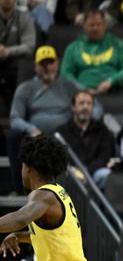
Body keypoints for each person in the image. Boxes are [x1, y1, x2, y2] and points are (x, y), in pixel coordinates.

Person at [7, 46, 84, 194]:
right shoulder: (26, 88)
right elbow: (15, 117)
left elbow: (90, 101)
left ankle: (73, 186)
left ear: (57, 64)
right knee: (13, 136)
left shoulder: (68, 85)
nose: (47, 67)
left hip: (65, 132)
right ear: (36, 66)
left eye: (50, 62)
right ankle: (20, 188)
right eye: (43, 63)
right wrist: (31, 129)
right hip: (36, 135)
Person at [61, 10, 123, 94]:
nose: (95, 28)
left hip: (114, 91)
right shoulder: (73, 48)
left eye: (98, 25)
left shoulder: (118, 44)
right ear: (84, 26)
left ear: (104, 26)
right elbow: (65, 74)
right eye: (91, 25)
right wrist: (82, 88)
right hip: (82, 94)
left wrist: (111, 81)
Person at [56, 91, 115, 188]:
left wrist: (86, 172)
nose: (85, 107)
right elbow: (59, 158)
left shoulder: (102, 130)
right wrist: (73, 171)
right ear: (73, 107)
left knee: (106, 174)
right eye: (81, 103)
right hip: (71, 173)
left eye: (89, 103)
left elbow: (104, 157)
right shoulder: (62, 132)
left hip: (94, 173)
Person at [0, 0, 35, 117]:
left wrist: (8, 51)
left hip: (16, 60)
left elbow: (30, 46)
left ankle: (19, 110)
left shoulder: (24, 16)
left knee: (25, 65)